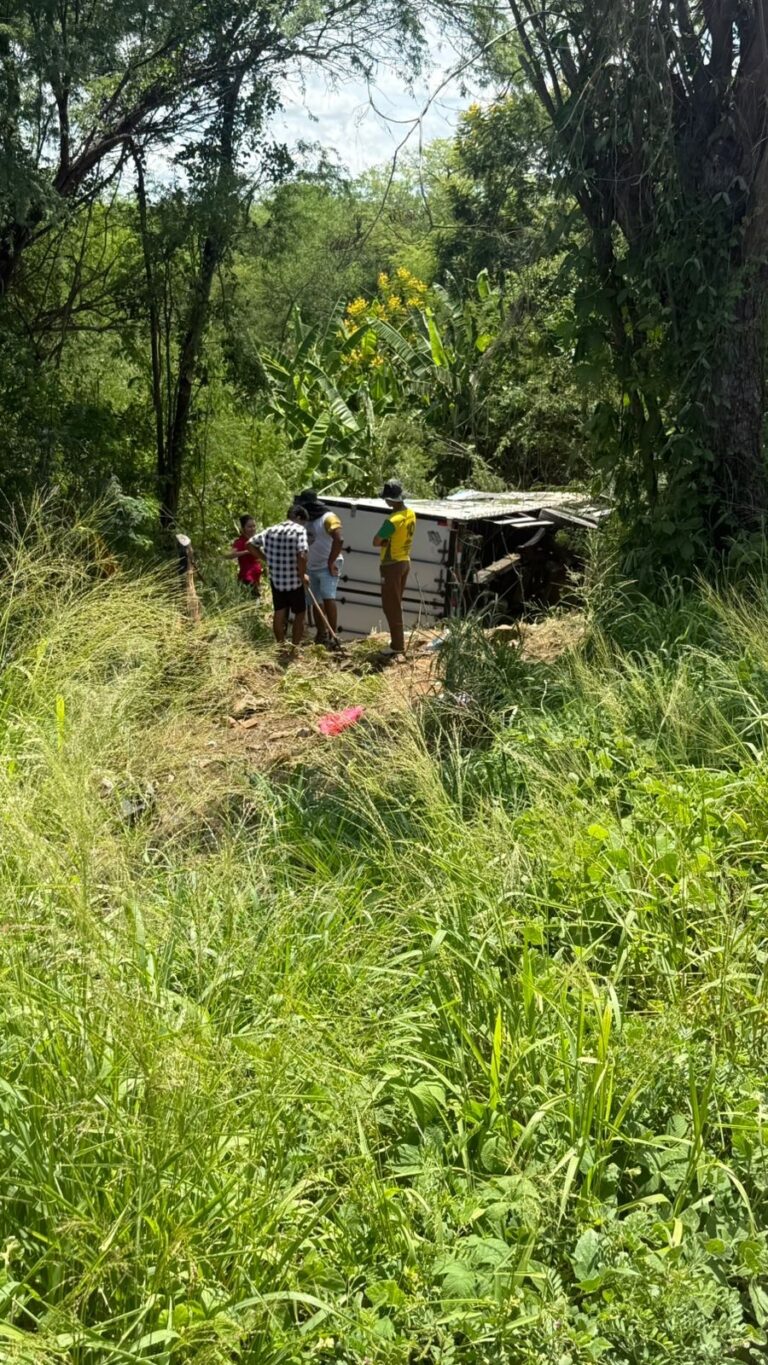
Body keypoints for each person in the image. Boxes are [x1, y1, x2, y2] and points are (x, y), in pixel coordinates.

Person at [248, 506, 309, 647]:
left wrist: (266, 558)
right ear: (299, 518)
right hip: (295, 581)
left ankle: (280, 647)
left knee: (279, 613)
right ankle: (294, 648)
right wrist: (302, 574)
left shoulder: (271, 530)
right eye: (303, 522)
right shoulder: (299, 530)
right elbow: (302, 554)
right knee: (300, 614)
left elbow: (249, 544)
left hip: (277, 581)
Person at [372, 478, 416, 656]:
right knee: (396, 603)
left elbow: (376, 541)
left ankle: (397, 646)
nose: (385, 501)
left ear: (391, 500)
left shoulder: (392, 520)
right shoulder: (410, 513)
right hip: (405, 561)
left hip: (391, 565)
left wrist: (384, 542)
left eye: (386, 499)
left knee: (391, 606)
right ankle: (397, 641)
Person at [297, 489, 344, 645]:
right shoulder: (305, 521)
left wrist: (331, 561)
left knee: (327, 596)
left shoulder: (328, 517)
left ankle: (333, 635)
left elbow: (339, 539)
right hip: (312, 566)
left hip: (328, 565)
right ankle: (321, 634)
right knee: (316, 601)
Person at [225, 515, 263, 598]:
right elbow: (228, 555)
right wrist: (247, 551)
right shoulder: (240, 541)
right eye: (249, 526)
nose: (252, 529)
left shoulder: (256, 540)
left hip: (256, 578)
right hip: (247, 578)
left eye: (254, 526)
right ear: (243, 528)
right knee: (253, 603)